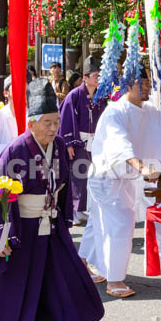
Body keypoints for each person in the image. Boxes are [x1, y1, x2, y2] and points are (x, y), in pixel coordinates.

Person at [0, 78, 104, 321]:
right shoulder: (15, 151)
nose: (54, 128)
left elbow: (63, 185)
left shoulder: (59, 145)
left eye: (57, 122)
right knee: (13, 279)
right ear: (31, 123)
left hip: (51, 223)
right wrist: (0, 237)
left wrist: (63, 216)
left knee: (61, 275)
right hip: (21, 227)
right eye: (47, 123)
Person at [80, 57, 161, 298]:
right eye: (142, 82)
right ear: (128, 84)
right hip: (106, 177)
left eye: (148, 82)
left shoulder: (151, 110)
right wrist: (142, 168)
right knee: (119, 224)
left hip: (127, 176)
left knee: (97, 223)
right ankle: (114, 280)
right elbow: (119, 145)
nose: (147, 86)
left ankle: (81, 264)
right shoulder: (115, 112)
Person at [58, 59, 107, 225]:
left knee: (92, 175)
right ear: (85, 78)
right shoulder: (74, 95)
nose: (98, 79)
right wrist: (69, 143)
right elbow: (66, 119)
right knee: (78, 175)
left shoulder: (101, 95)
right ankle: (74, 210)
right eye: (95, 76)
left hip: (96, 140)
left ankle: (84, 208)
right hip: (79, 141)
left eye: (99, 76)